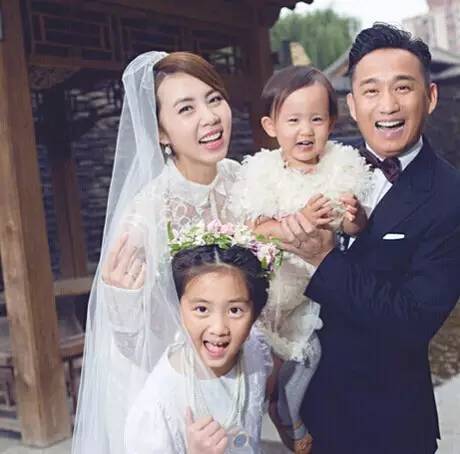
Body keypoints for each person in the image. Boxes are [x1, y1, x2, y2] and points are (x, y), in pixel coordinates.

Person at [279, 23, 460, 454]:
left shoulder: (450, 195)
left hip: (389, 425)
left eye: (403, 87)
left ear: (430, 97)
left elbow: (413, 321)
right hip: (310, 412)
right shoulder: (324, 164)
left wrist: (325, 260)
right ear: (353, 104)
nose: (388, 105)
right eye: (372, 90)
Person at [72, 51, 241, 454]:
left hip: (240, 371)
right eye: (186, 109)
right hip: (177, 389)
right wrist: (125, 299)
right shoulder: (146, 215)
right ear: (161, 133)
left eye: (214, 99)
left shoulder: (241, 177)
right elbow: (128, 340)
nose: (210, 117)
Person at [230, 65, 372, 452]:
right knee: (257, 368)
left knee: (308, 356)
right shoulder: (262, 171)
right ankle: (252, 425)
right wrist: (299, 220)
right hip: (270, 288)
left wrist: (356, 218)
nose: (305, 130)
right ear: (271, 125)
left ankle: (289, 414)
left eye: (316, 119)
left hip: (314, 290)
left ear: (331, 122)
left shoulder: (340, 168)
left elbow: (351, 227)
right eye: (293, 120)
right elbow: (253, 227)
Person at [124, 221, 281, 453]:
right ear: (177, 309)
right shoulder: (159, 401)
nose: (219, 328)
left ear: (255, 313)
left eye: (235, 310)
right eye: (201, 309)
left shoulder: (256, 351)